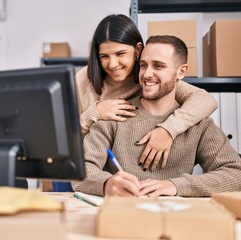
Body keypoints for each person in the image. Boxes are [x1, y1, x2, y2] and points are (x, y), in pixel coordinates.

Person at [72, 35, 241, 197]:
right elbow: (82, 171)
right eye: (143, 65)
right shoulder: (114, 116)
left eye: (158, 66)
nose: (147, 74)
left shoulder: (199, 124)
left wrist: (176, 185)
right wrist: (106, 184)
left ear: (181, 71)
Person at [76, 14, 217, 170]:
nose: (113, 64)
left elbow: (205, 100)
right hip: (85, 165)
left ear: (137, 50)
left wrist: (168, 130)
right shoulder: (84, 79)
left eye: (120, 54)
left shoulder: (148, 77)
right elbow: (67, 138)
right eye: (104, 56)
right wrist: (94, 113)